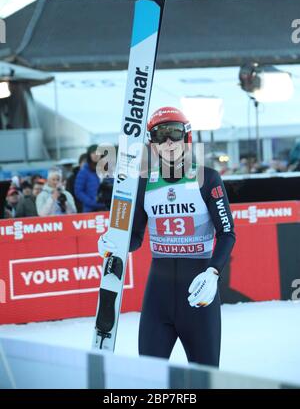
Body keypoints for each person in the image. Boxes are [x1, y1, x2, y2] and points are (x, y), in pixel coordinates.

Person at [98, 106, 236, 367]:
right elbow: (136, 236)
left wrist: (213, 273)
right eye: (161, 136)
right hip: (158, 297)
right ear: (152, 144)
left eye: (174, 133)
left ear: (187, 137)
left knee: (204, 379)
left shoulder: (207, 178)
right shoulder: (143, 182)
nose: (169, 142)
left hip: (198, 293)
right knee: (149, 377)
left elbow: (227, 233)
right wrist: (114, 243)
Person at [74, 145, 105, 212]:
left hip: (106, 208)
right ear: (89, 155)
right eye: (93, 153)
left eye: (97, 152)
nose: (95, 155)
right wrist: (91, 202)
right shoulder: (84, 171)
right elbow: (78, 191)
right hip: (90, 210)